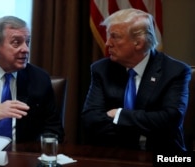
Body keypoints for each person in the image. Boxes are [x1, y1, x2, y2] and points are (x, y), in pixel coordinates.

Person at [81, 8, 191, 151]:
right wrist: (145, 124)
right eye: (108, 36)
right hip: (114, 153)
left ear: (138, 43)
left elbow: (169, 121)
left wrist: (119, 114)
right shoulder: (102, 69)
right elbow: (90, 119)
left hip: (162, 154)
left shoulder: (174, 71)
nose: (108, 43)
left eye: (115, 36)